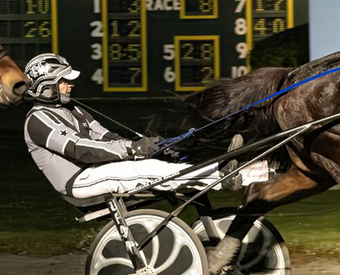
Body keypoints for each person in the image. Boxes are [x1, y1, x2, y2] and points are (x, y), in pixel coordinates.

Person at [22, 53, 249, 199]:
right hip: (77, 180)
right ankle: (220, 177)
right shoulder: (38, 120)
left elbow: (105, 137)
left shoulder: (74, 109)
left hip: (94, 170)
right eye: (64, 81)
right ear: (46, 86)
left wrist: (144, 147)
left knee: (153, 162)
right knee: (138, 171)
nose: (70, 85)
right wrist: (132, 151)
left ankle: (253, 172)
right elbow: (78, 149)